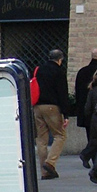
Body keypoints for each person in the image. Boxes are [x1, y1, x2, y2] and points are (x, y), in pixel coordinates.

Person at [33, 49, 70, 180]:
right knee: (59, 135)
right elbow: (62, 93)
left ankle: (44, 172)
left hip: (37, 106)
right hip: (52, 107)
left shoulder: (39, 69)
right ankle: (50, 163)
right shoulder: (58, 72)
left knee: (41, 140)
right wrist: (65, 114)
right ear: (60, 59)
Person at [74, 48, 97, 167]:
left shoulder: (82, 71)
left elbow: (77, 92)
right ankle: (93, 156)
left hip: (85, 109)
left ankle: (93, 157)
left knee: (90, 134)